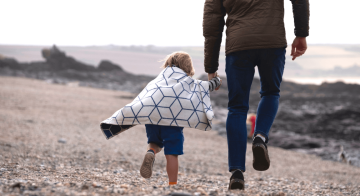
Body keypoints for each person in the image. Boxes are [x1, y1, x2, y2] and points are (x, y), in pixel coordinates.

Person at [202, 0, 309, 190]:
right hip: (272, 42)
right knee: (270, 92)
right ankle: (259, 137)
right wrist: (301, 33)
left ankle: (237, 173)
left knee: (236, 107)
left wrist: (211, 67)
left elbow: (212, 22)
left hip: (238, 45)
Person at [100, 51, 221, 185]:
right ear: (187, 66)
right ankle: (172, 184)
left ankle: (151, 151)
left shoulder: (158, 80)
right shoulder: (187, 81)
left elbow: (144, 97)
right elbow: (205, 86)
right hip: (173, 123)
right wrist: (217, 80)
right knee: (172, 153)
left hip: (153, 118)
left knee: (155, 142)